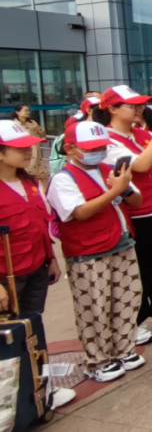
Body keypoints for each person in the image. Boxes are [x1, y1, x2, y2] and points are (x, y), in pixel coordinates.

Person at [48, 121, 145, 382]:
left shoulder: (109, 170)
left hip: (120, 242)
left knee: (127, 298)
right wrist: (114, 190)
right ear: (70, 149)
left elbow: (136, 199)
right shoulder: (62, 178)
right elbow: (79, 213)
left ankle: (124, 349)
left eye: (103, 146)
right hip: (88, 251)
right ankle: (98, 359)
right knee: (94, 305)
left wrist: (123, 188)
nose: (99, 151)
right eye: (92, 147)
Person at [94, 86, 152, 344]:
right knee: (141, 270)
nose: (139, 109)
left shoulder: (142, 134)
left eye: (140, 105)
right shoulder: (107, 139)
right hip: (138, 213)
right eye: (131, 105)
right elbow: (141, 165)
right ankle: (135, 321)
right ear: (112, 108)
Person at [0, 121, 77, 408]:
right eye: (19, 148)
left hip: (36, 269)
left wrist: (51, 260)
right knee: (9, 337)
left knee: (33, 330)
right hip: (7, 279)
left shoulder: (30, 183)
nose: (29, 153)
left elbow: (39, 226)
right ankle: (12, 398)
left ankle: (39, 389)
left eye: (29, 147)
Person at [10, 103, 48, 182]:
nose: (28, 112)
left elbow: (43, 134)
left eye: (28, 110)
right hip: (25, 155)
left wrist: (36, 128)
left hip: (37, 156)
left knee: (44, 178)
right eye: (25, 110)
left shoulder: (32, 123)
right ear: (18, 112)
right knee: (28, 179)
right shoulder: (14, 125)